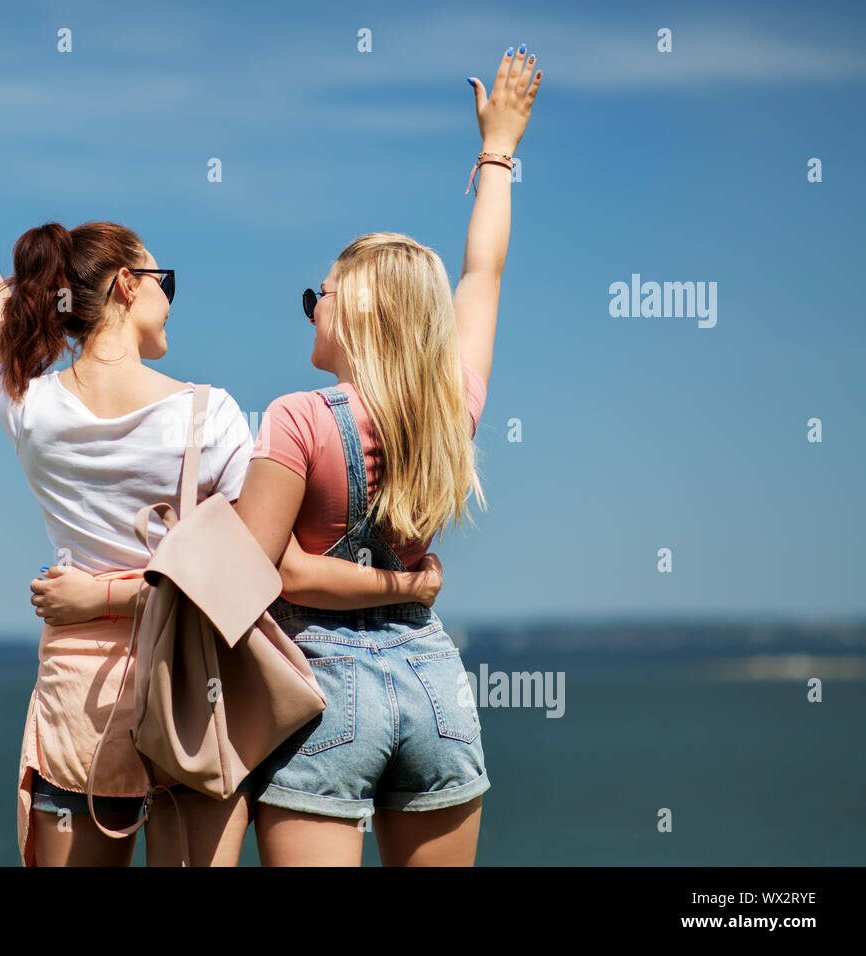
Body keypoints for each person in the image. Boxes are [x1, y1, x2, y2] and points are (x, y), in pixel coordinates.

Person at [0, 128, 443, 866]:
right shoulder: (209, 415)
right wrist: (406, 580)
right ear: (127, 284)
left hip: (79, 703)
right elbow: (249, 575)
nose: (171, 296)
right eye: (166, 279)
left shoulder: (30, 407)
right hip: (196, 698)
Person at [230, 45, 541, 866]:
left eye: (317, 298)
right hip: (436, 686)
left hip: (323, 695)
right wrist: (499, 150)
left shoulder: (297, 419)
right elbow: (485, 270)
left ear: (360, 312)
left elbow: (263, 575)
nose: (308, 313)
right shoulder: (452, 413)